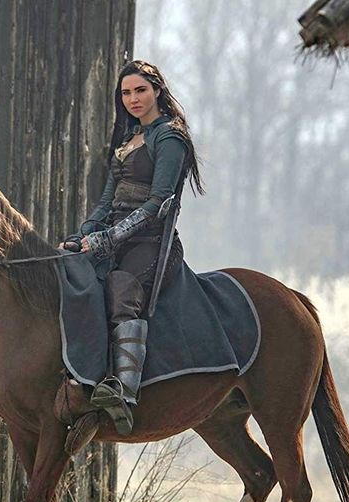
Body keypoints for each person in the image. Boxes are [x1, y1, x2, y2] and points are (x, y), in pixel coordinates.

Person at [61, 60, 204, 436]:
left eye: (140, 90)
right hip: (116, 237)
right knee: (69, 272)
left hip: (153, 243)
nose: (133, 99)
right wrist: (83, 234)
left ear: (157, 90)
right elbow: (106, 202)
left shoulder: (170, 137)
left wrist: (107, 239)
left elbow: (158, 203)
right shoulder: (127, 142)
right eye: (126, 93)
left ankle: (123, 394)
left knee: (121, 288)